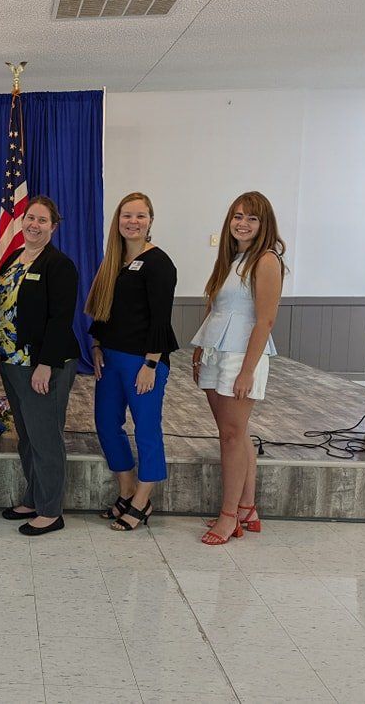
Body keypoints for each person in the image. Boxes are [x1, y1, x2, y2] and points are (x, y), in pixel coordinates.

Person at [192, 191, 285, 545]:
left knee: (231, 436)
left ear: (264, 224)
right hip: (217, 351)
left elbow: (265, 321)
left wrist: (247, 371)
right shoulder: (233, 259)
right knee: (236, 432)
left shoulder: (266, 260)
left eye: (252, 218)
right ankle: (247, 507)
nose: (242, 223)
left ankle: (229, 516)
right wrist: (201, 351)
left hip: (241, 356)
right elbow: (215, 309)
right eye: (237, 216)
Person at [86, 192, 178, 532]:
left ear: (151, 220)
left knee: (146, 429)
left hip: (144, 361)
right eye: (127, 215)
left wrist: (151, 364)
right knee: (107, 424)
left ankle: (142, 500)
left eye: (140, 216)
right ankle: (126, 490)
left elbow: (160, 319)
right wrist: (97, 345)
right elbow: (104, 309)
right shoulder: (115, 259)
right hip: (109, 357)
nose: (133, 221)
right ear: (118, 220)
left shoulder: (159, 263)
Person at [0, 196, 80, 536]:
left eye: (42, 220)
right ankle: (33, 497)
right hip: (12, 362)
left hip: (42, 365)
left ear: (53, 227)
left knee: (45, 438)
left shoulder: (59, 265)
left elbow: (60, 319)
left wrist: (45, 363)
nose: (34, 225)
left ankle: (51, 510)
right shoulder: (13, 257)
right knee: (27, 436)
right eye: (30, 218)